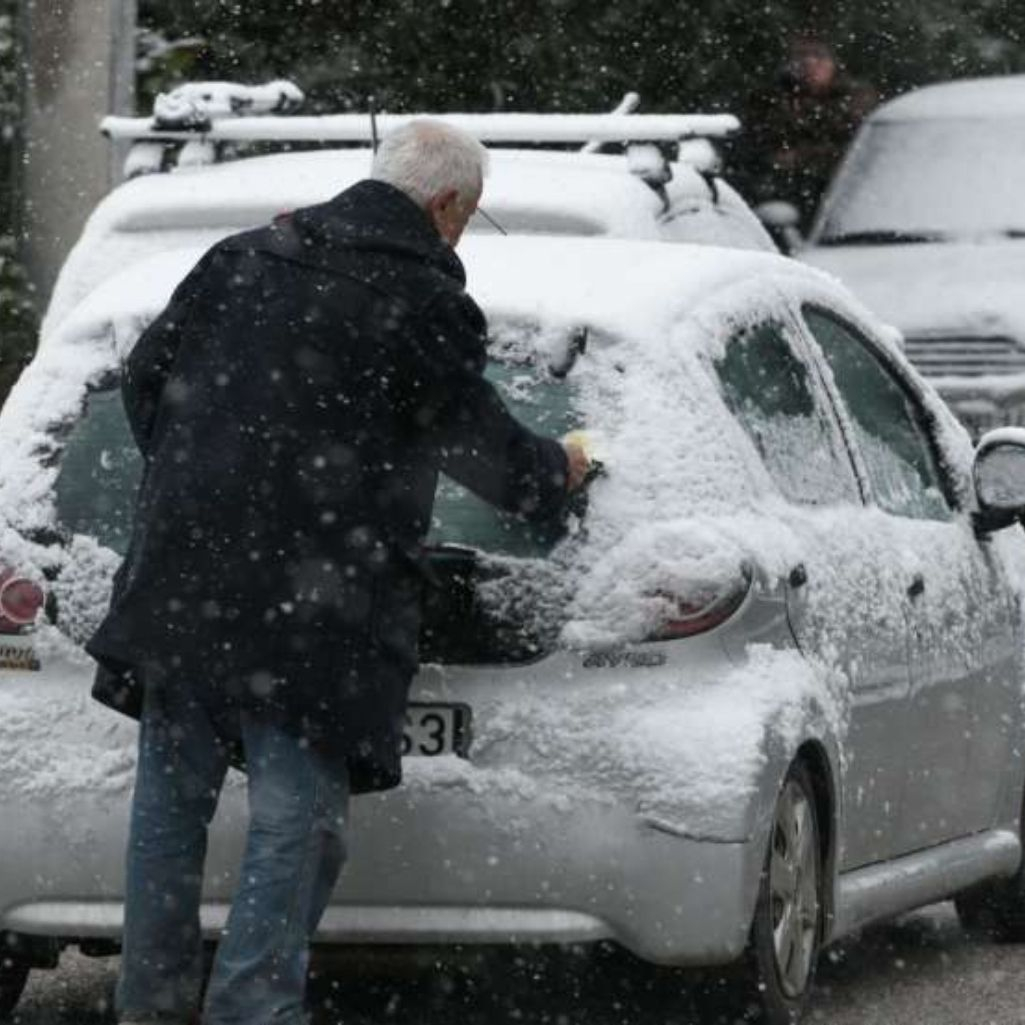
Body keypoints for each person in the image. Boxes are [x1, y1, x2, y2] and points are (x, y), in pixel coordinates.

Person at [87, 119, 590, 1025]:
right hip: (312, 606)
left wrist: (198, 489)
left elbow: (146, 378)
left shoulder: (241, 257)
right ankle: (251, 1008)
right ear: (444, 206)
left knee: (170, 804)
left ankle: (150, 1005)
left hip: (183, 581)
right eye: (465, 219)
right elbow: (482, 451)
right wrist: (558, 471)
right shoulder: (419, 301)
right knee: (295, 815)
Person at [738, 35, 877, 229]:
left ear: (832, 64)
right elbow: (760, 145)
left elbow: (858, 147)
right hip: (783, 193)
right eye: (802, 58)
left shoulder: (855, 99)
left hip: (841, 192)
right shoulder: (770, 99)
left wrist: (803, 156)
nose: (810, 64)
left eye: (819, 57)